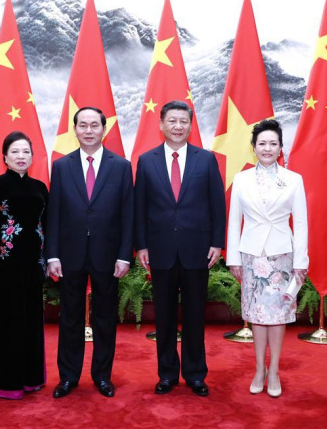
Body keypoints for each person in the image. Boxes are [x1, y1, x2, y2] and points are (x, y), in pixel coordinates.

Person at [134, 100, 226, 397]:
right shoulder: (146, 161)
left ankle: (196, 374)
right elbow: (139, 208)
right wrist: (141, 246)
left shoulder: (206, 159)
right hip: (160, 249)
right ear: (161, 125)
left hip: (197, 249)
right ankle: (167, 374)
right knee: (164, 316)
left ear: (190, 125)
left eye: (183, 121)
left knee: (195, 315)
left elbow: (216, 204)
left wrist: (217, 242)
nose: (177, 126)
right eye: (171, 121)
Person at [46, 107, 134, 399]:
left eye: (94, 125)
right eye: (82, 125)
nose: (88, 130)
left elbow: (127, 215)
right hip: (70, 255)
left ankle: (102, 377)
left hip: (108, 255)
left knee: (105, 319)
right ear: (75, 129)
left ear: (103, 129)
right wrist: (52, 255)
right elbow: (54, 213)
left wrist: (124, 255)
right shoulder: (61, 166)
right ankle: (68, 377)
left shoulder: (121, 166)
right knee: (70, 318)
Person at [226, 119, 308, 398]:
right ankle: (259, 369)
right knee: (257, 316)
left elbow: (303, 223)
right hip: (250, 256)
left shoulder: (294, 179)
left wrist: (301, 261)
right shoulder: (241, 179)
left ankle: (274, 371)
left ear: (280, 148)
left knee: (278, 315)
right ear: (254, 147)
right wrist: (233, 258)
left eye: (273, 143)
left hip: (282, 256)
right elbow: (234, 219)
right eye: (262, 143)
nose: (267, 148)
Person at [0, 131, 48, 400]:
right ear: (5, 157)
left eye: (26, 152)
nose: (21, 156)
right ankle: (6, 383)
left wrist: (48, 259)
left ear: (32, 156)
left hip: (33, 264)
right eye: (15, 152)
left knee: (31, 320)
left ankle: (31, 379)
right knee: (8, 322)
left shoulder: (41, 188)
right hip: (5, 265)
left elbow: (46, 225)